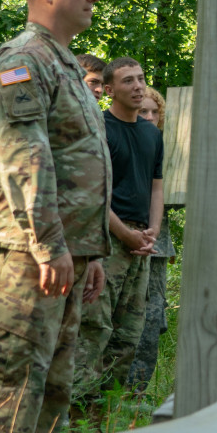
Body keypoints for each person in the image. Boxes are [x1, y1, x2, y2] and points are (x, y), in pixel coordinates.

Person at [0, 0, 112, 433]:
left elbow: (77, 166)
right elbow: (24, 159)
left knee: (51, 402)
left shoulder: (64, 64)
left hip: (58, 261)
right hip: (19, 258)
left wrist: (88, 253)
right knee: (6, 404)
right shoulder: (24, 60)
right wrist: (49, 245)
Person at [74, 57, 164, 401]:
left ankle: (105, 418)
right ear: (109, 90)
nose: (138, 86)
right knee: (94, 329)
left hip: (141, 241)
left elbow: (157, 185)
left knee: (128, 336)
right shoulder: (98, 129)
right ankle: (77, 414)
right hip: (106, 240)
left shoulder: (151, 133)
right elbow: (91, 191)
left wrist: (152, 230)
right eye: (128, 81)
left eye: (141, 79)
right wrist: (125, 235)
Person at [128, 87, 174, 394]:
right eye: (142, 111)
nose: (148, 117)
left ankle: (137, 395)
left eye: (153, 112)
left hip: (155, 246)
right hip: (122, 240)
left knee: (152, 316)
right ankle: (109, 395)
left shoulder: (172, 154)